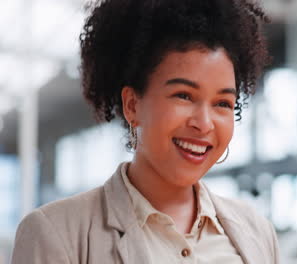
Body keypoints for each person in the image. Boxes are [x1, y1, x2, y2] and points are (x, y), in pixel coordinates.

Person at [11, 0, 279, 263]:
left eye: (222, 103)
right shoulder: (56, 235)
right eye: (184, 95)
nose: (205, 123)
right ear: (132, 105)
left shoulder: (257, 232)